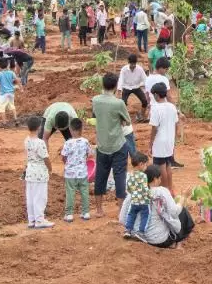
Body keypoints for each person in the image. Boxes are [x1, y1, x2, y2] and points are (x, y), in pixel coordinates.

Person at [119, 161, 194, 248]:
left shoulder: (133, 193)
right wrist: (183, 197)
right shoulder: (161, 191)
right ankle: (178, 243)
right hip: (159, 240)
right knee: (182, 211)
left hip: (139, 237)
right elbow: (174, 212)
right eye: (160, 178)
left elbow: (122, 219)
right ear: (155, 179)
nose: (160, 181)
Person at [92, 72, 133, 200]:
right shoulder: (118, 103)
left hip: (102, 144)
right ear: (115, 86)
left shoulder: (95, 100)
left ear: (103, 84)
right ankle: (120, 208)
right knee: (120, 175)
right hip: (117, 144)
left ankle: (99, 210)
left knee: (100, 176)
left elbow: (96, 116)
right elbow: (128, 121)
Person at [61, 116, 95, 221]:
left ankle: (69, 214)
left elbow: (63, 156)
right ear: (81, 129)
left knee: (70, 192)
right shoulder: (85, 141)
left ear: (70, 130)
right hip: (82, 172)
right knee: (84, 191)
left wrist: (66, 162)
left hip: (70, 173)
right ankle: (86, 212)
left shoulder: (68, 143)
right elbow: (90, 154)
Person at [23, 115, 53, 229]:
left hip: (30, 171)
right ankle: (40, 220)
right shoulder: (40, 143)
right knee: (40, 197)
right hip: (40, 173)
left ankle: (32, 220)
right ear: (39, 127)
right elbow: (46, 158)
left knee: (30, 197)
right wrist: (50, 169)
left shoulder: (26, 140)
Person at [147, 82, 179, 188]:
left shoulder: (156, 108)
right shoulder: (172, 107)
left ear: (156, 95)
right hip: (169, 140)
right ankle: (170, 189)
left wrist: (150, 144)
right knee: (168, 165)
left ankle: (164, 190)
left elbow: (154, 128)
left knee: (161, 167)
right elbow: (176, 124)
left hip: (160, 142)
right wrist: (174, 139)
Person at [118, 52, 149, 120]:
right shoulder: (124, 69)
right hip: (126, 87)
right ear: (128, 62)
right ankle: (124, 117)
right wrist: (119, 91)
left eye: (134, 64)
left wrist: (148, 90)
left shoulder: (139, 69)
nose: (133, 65)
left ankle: (141, 115)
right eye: (131, 64)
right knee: (123, 103)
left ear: (136, 63)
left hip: (136, 87)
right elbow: (121, 80)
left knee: (144, 101)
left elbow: (145, 79)